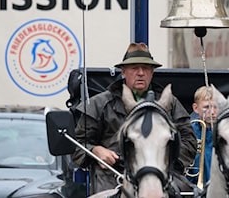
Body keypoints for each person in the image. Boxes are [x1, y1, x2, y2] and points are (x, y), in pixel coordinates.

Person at [71, 42, 197, 194]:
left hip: (162, 175)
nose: (141, 73)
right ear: (123, 72)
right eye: (134, 68)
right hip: (112, 176)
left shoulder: (170, 103)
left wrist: (165, 157)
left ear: (152, 72)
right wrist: (96, 150)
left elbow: (189, 141)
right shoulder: (99, 104)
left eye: (146, 68)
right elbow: (78, 146)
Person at [186, 86, 218, 187]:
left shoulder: (225, 134)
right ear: (195, 108)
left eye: (215, 107)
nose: (212, 112)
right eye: (206, 107)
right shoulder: (188, 132)